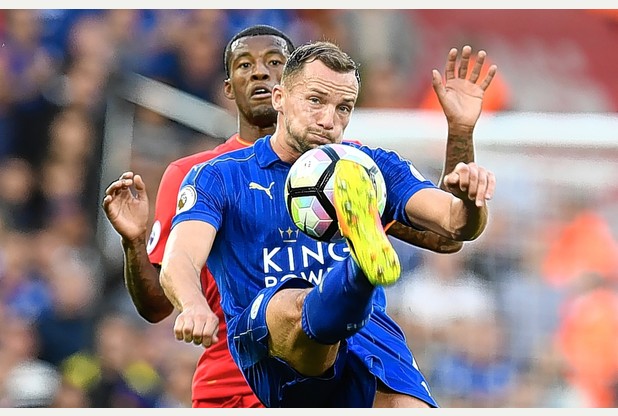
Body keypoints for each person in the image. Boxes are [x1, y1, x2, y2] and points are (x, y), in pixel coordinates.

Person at [103, 26, 495, 407]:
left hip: (367, 338)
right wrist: (193, 305)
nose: (329, 119)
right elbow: (179, 261)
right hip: (265, 348)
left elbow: (453, 227)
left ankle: (362, 263)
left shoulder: (366, 168)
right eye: (316, 101)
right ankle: (361, 269)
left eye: (343, 108)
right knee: (293, 307)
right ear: (280, 97)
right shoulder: (215, 175)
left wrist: (471, 193)